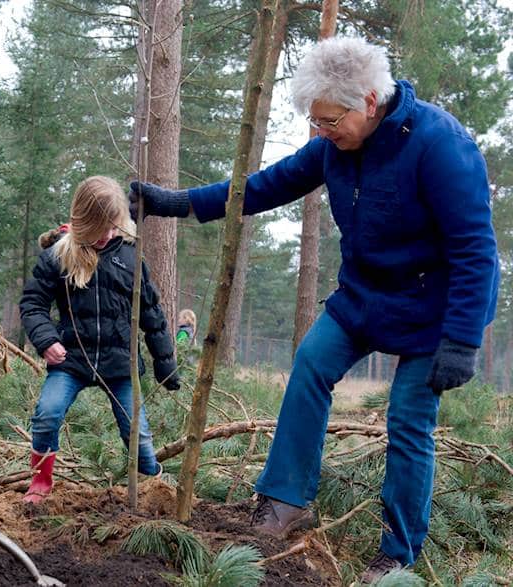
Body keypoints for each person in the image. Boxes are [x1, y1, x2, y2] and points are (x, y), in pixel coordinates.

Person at [130, 37, 498, 583]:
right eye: (315, 122)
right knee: (309, 366)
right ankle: (285, 501)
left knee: (408, 421)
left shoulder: (440, 145)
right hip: (364, 296)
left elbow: (476, 248)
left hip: (433, 311)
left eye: (330, 121)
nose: (321, 132)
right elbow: (265, 186)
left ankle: (397, 554)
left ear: (369, 102)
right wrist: (179, 203)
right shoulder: (334, 146)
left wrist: (464, 339)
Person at [19, 176, 180, 504]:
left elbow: (153, 316)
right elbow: (33, 303)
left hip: (120, 364)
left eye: (112, 227)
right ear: (83, 221)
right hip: (72, 360)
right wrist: (46, 338)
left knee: (138, 435)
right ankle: (40, 482)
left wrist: (166, 366)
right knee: (47, 414)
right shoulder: (58, 256)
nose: (107, 236)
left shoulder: (131, 259)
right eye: (99, 228)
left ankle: (155, 488)